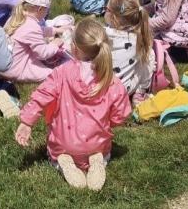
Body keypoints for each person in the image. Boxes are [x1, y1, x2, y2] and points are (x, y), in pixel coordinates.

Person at [14, 17, 131, 191]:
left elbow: (41, 96)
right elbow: (121, 115)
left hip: (63, 143)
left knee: (57, 153)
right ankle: (97, 159)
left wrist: (27, 122)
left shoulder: (61, 73)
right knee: (102, 152)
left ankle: (62, 161)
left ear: (74, 48)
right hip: (97, 143)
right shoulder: (110, 80)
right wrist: (109, 122)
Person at [1, 0, 70, 84]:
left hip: (4, 64)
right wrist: (55, 44)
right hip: (16, 69)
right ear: (40, 9)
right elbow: (43, 53)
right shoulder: (32, 26)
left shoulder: (16, 17)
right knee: (53, 74)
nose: (47, 12)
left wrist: (56, 30)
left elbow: (37, 32)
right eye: (47, 10)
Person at [104, 0, 155, 105]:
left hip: (99, 88)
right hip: (124, 90)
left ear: (113, 17)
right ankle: (140, 92)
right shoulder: (139, 39)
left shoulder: (101, 34)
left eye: (106, 9)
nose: (104, 11)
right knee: (149, 55)